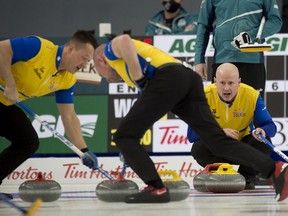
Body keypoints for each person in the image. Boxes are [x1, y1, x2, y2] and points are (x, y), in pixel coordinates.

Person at [93, 34, 288, 203]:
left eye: (97, 71)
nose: (103, 78)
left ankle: (156, 189)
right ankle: (276, 171)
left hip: (167, 79)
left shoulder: (110, 53)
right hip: (188, 79)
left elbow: (124, 40)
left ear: (101, 61)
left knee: (123, 136)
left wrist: (140, 80)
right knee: (217, 141)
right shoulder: (128, 67)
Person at [0, 30, 99, 199]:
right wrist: (10, 84)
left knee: (28, 142)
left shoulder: (67, 80)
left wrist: (83, 150)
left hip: (4, 105)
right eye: (84, 58)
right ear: (69, 49)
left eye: (88, 61)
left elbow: (69, 116)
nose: (85, 64)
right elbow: (2, 49)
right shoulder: (39, 47)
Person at [187, 63, 276, 189]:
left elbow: (270, 126)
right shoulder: (203, 96)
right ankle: (219, 173)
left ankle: (246, 177)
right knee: (198, 148)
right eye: (222, 83)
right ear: (215, 82)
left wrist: (263, 130)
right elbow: (191, 134)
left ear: (239, 82)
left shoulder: (252, 95)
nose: (226, 88)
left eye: (231, 83)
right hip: (218, 147)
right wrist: (219, 132)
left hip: (243, 149)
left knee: (264, 141)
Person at [194, 0, 282, 98]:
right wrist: (199, 60)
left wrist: (251, 36)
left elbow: (275, 21)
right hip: (222, 61)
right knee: (220, 111)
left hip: (252, 62)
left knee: (253, 110)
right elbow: (203, 26)